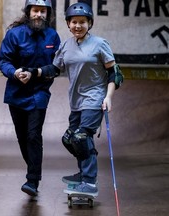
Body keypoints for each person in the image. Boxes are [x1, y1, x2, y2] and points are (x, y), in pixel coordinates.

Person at [36, 2, 123, 196]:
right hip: (76, 101)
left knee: (82, 137)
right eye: (74, 22)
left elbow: (114, 74)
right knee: (70, 139)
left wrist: (108, 97)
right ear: (68, 24)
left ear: (89, 23)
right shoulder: (66, 45)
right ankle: (84, 172)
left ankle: (90, 182)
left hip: (95, 98)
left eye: (82, 22)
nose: (78, 26)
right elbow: (55, 69)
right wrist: (35, 72)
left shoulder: (100, 44)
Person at [0, 0, 60, 197]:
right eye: (35, 11)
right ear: (28, 12)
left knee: (33, 136)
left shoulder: (52, 35)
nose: (39, 14)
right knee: (23, 138)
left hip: (39, 93)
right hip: (16, 94)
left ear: (47, 13)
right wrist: (14, 73)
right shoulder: (14, 34)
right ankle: (33, 168)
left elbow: (57, 66)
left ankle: (32, 180)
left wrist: (38, 73)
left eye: (43, 11)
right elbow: (3, 60)